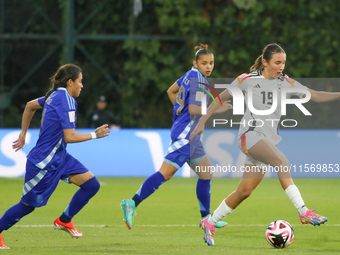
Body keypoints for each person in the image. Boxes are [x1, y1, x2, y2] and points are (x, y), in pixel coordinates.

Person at [190, 43, 340, 246]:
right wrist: (202, 121)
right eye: (277, 62)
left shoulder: (285, 81)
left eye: (284, 63)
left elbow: (316, 95)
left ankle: (210, 222)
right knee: (282, 162)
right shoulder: (247, 80)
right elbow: (219, 98)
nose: (281, 67)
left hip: (266, 140)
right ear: (265, 62)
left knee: (244, 191)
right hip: (250, 135)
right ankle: (304, 212)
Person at [121, 44, 232, 230]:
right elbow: (193, 109)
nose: (208, 66)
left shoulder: (189, 75)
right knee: (165, 173)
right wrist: (215, 109)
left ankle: (206, 219)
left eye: (211, 63)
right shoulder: (198, 79)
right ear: (195, 63)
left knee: (206, 173)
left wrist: (179, 113)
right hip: (185, 135)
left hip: (191, 134)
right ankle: (131, 203)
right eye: (204, 63)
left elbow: (170, 91)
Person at [0, 64, 110, 249]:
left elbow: (29, 106)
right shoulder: (66, 99)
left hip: (60, 157)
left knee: (91, 185)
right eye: (80, 81)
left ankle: (64, 220)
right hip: (44, 162)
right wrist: (94, 135)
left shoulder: (54, 96)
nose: (82, 86)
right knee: (27, 206)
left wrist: (23, 133)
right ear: (70, 82)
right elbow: (70, 136)